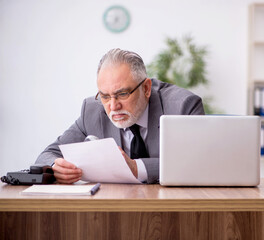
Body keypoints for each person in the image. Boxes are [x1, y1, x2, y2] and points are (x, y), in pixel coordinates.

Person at [35, 48, 205, 184]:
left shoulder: (183, 106)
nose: (113, 106)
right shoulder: (92, 110)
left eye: (123, 94)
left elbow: (198, 164)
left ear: (146, 88)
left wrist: (137, 167)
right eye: (105, 96)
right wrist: (55, 166)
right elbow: (47, 154)